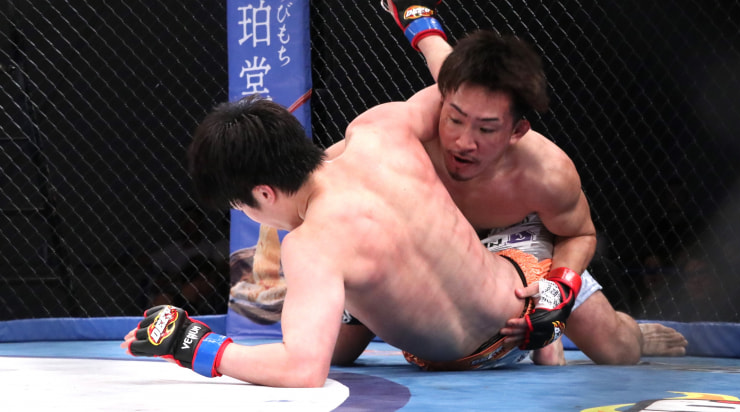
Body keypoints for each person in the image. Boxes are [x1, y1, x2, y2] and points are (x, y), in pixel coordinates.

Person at [331, 0, 687, 366]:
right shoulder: (420, 121)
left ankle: (633, 332)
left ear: (517, 131)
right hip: (432, 240)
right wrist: (418, 17)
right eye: (455, 119)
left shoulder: (546, 172)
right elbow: (337, 162)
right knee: (337, 352)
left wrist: (556, 293)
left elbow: (580, 233)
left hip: (520, 243)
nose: (464, 142)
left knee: (617, 351)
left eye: (486, 129)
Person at [121, 88, 582, 386]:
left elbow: (302, 370)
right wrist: (422, 24)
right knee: (343, 323)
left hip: (474, 351)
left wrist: (192, 344)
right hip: (521, 288)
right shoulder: (378, 129)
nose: (247, 215)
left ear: (263, 192)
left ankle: (558, 326)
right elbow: (463, 88)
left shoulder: (311, 245)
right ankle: (553, 324)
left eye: (242, 206)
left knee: (327, 307)